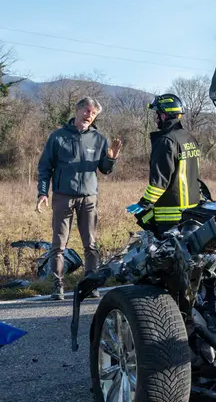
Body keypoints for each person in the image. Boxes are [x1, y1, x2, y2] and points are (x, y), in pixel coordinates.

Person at [36, 97, 123, 300]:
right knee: (59, 244)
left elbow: (105, 170)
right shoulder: (58, 137)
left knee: (90, 244)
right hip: (63, 196)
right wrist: (42, 192)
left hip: (89, 198)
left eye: (93, 114)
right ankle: (57, 285)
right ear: (77, 110)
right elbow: (44, 167)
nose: (89, 116)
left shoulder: (98, 139)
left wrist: (112, 157)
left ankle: (90, 284)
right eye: (87, 111)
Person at [127, 94, 202, 237]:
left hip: (171, 216)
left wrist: (144, 204)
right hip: (192, 213)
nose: (155, 117)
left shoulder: (166, 142)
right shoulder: (188, 138)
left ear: (164, 115)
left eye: (157, 113)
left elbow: (159, 182)